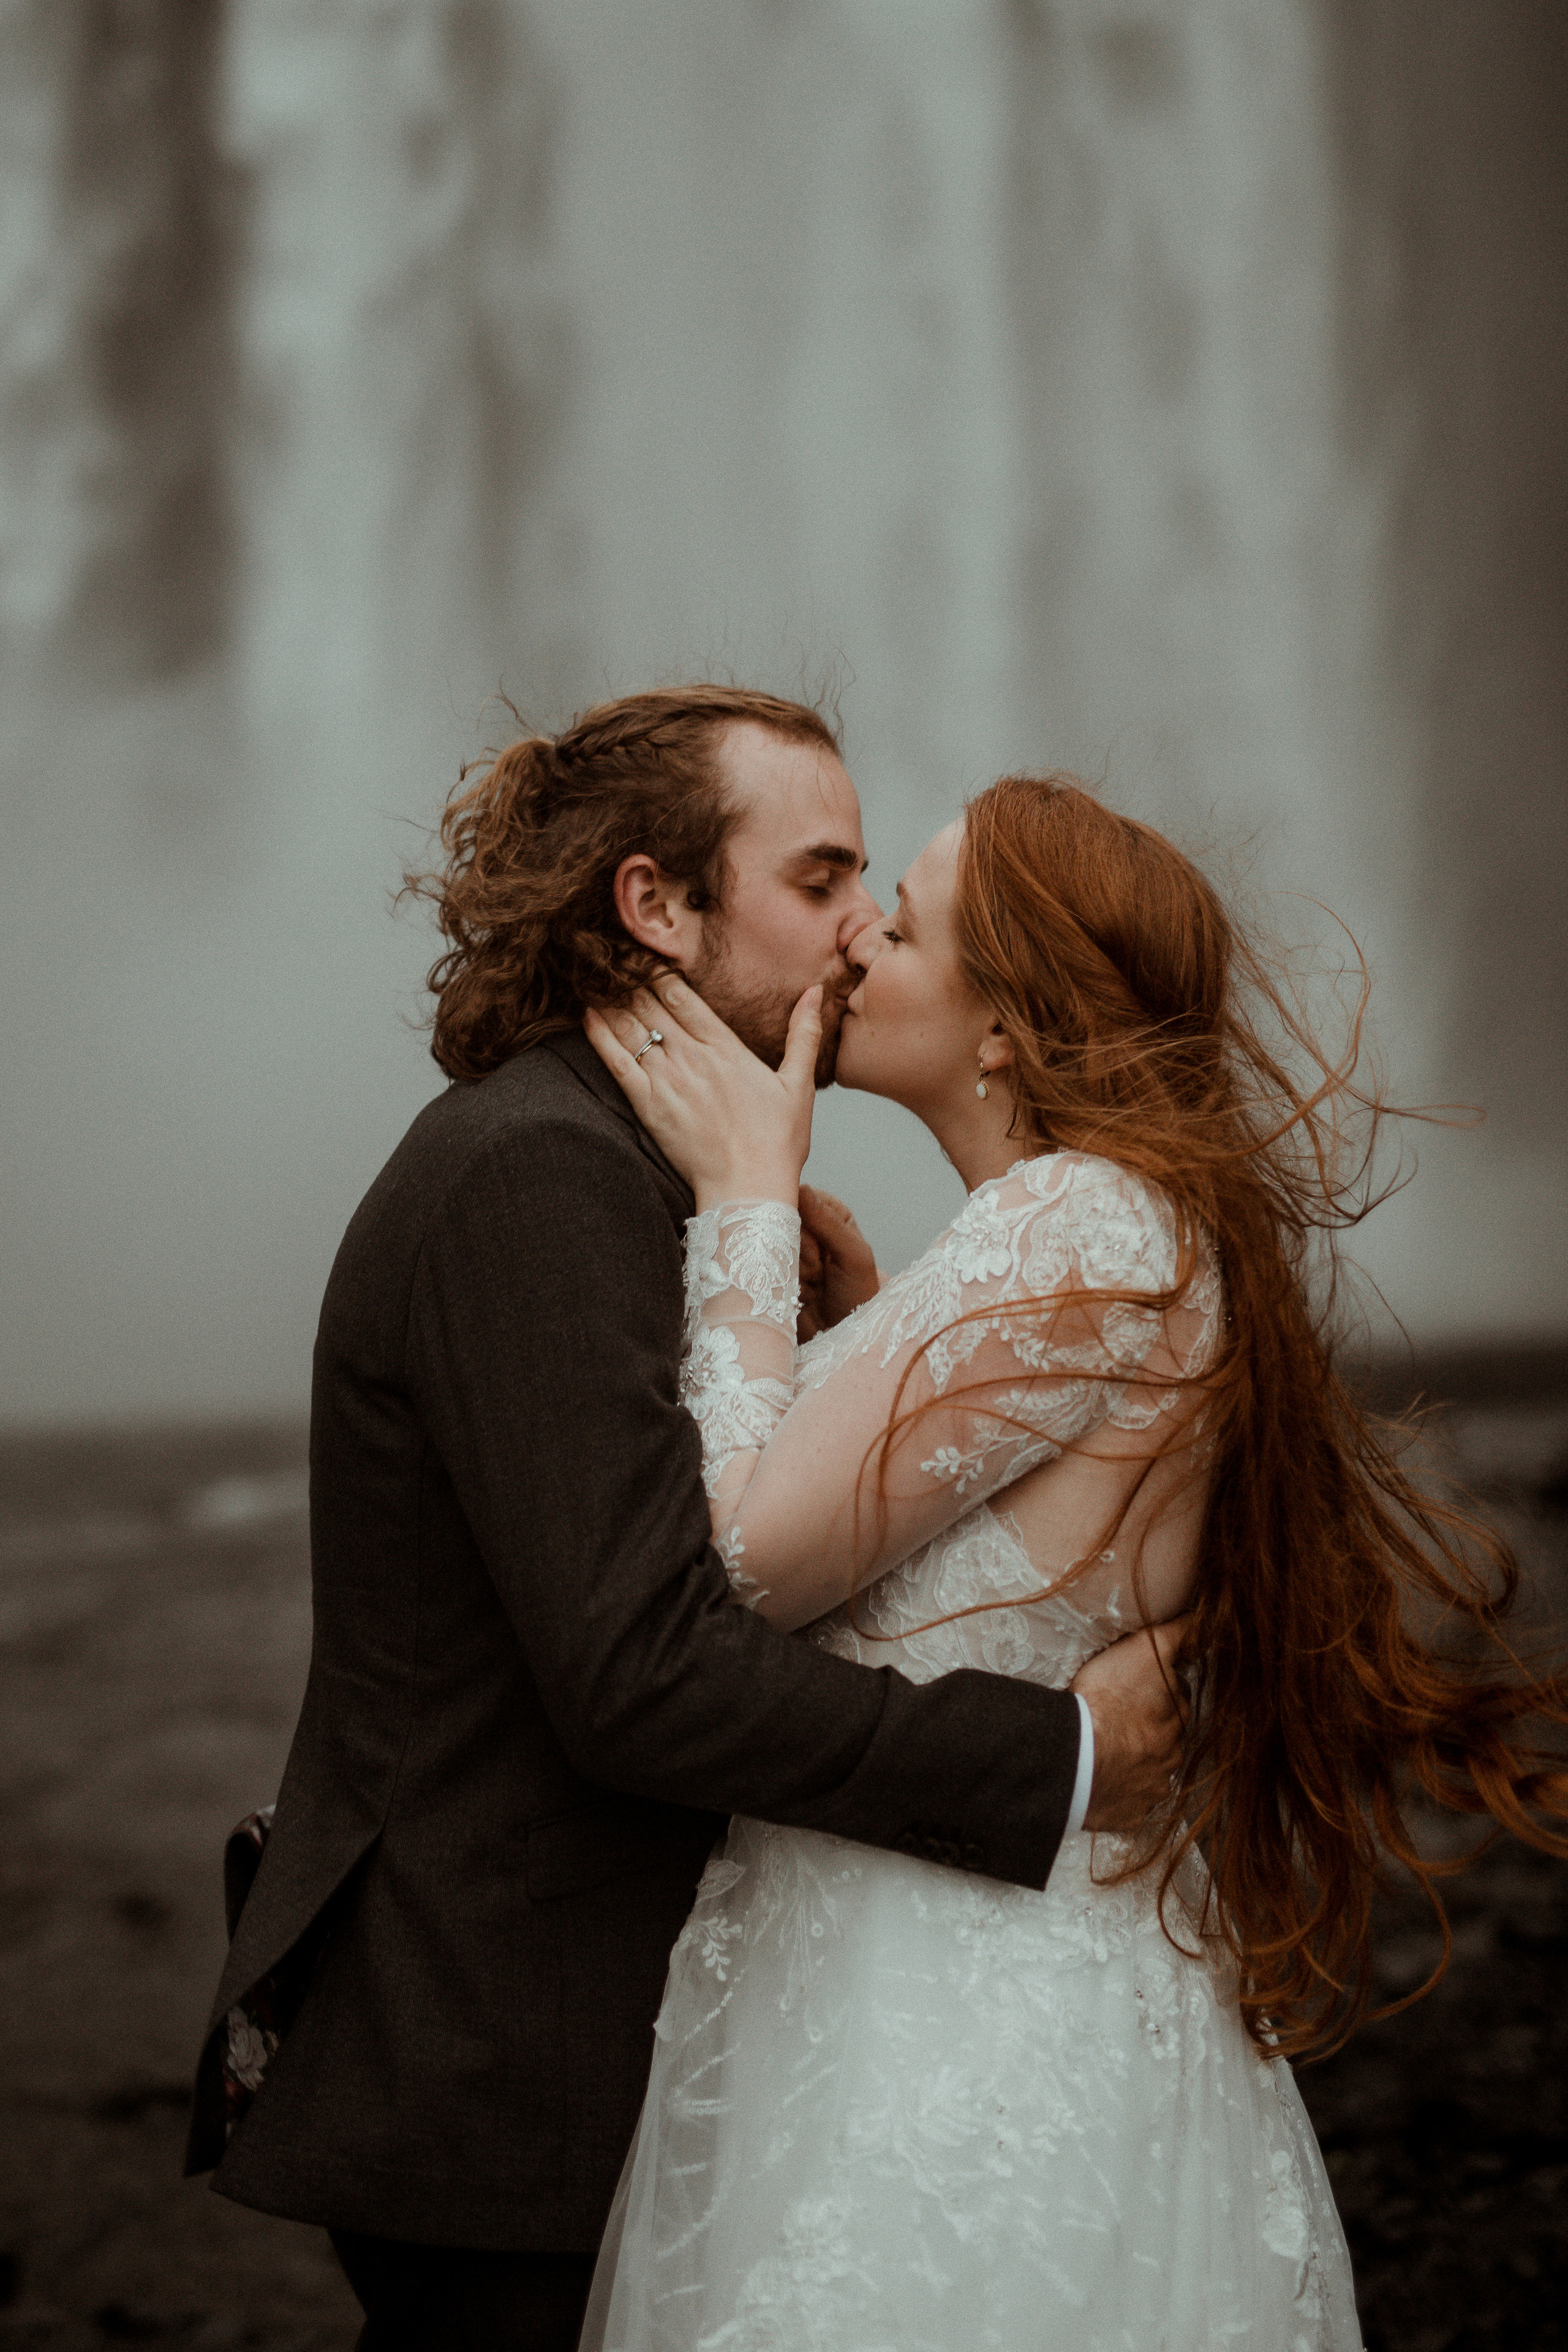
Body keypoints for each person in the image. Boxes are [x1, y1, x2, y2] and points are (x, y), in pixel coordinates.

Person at [183, 689, 1189, 2352]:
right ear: (657, 905)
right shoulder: (539, 1173)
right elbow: (644, 1669)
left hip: (603, 2050)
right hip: (520, 2077)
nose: (865, 932)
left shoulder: (668, 1170)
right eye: (822, 878)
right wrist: (1065, 1760)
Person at [578, 774, 1568, 2351]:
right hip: (922, 1975)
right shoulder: (1072, 1232)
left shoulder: (1080, 1230)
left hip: (958, 2031)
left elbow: (745, 1565)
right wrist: (860, 1327)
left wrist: (742, 1210)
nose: (849, 946)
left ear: (1002, 1029)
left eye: (896, 924)